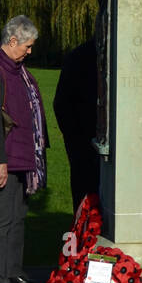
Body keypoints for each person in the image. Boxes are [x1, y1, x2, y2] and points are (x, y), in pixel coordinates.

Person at [0, 17, 48, 283]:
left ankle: (13, 270)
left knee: (17, 216)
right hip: (4, 157)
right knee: (2, 217)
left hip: (22, 156)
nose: (30, 51)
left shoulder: (17, 70)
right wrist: (0, 162)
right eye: (27, 46)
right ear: (13, 40)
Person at [53, 38, 99, 217]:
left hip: (83, 140)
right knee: (85, 196)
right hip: (83, 142)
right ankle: (83, 236)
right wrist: (75, 139)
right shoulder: (80, 56)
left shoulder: (78, 55)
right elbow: (62, 104)